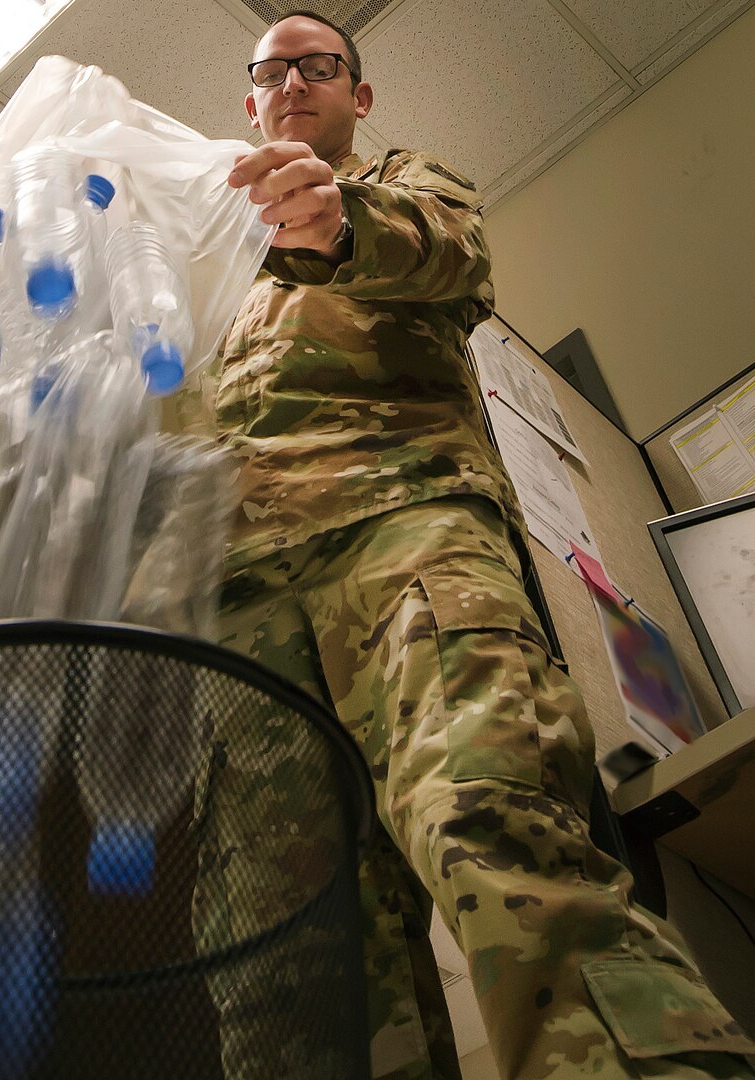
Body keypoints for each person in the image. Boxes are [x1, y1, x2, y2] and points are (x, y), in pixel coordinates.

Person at [172, 10, 755, 1079]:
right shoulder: (208, 272)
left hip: (406, 545)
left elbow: (452, 252)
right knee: (282, 959)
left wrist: (336, 221)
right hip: (240, 610)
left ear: (360, 96)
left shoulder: (402, 184)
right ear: (247, 102)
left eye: (320, 64)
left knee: (498, 835)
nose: (294, 80)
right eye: (271, 70)